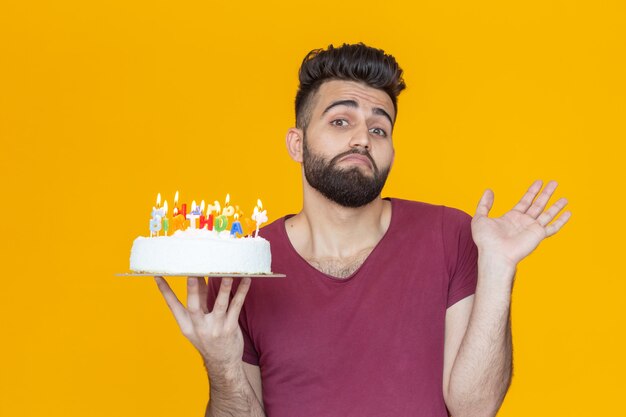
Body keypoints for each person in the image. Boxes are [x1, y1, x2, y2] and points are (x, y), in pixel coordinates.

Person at [154, 43, 571, 417]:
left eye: (378, 128)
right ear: (296, 144)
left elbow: (474, 410)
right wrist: (223, 365)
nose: (362, 139)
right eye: (340, 122)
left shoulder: (451, 235)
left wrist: (498, 267)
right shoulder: (242, 263)